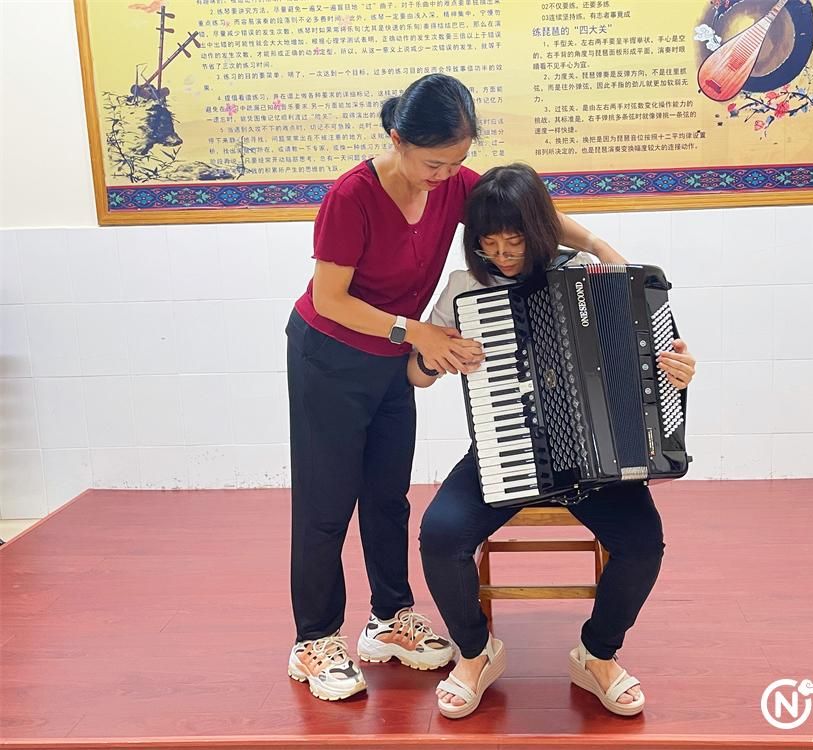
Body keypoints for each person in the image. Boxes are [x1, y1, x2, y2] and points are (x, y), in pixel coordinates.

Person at [285, 75, 629, 703]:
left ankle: (389, 620)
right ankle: (315, 639)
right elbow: (331, 299)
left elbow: (529, 214)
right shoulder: (352, 196)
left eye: (459, 161)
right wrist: (417, 331)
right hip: (330, 356)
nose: (446, 175)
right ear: (398, 140)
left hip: (394, 358)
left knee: (387, 495)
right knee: (326, 501)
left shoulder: (455, 184)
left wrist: (599, 245)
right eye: (433, 162)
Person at [412, 164, 697, 718]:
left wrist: (678, 372)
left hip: (596, 462)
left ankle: (596, 655)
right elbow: (417, 376)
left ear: (541, 231)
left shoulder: (586, 272)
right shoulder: (465, 288)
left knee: (643, 544)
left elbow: (648, 355)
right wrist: (434, 355)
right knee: (439, 535)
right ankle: (474, 653)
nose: (502, 254)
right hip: (504, 451)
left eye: (514, 239)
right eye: (488, 243)